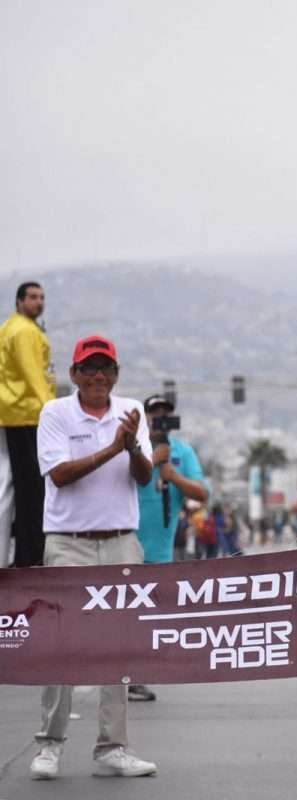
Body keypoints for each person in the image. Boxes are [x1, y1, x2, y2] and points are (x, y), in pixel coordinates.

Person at [29, 335, 156, 780]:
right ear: (74, 374)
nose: (98, 376)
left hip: (121, 540)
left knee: (118, 644)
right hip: (69, 542)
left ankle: (112, 747)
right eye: (89, 368)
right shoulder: (55, 413)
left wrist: (133, 446)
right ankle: (49, 745)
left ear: (116, 375)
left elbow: (144, 477)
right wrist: (113, 448)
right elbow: (60, 475)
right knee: (63, 642)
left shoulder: (131, 411)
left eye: (106, 368)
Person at [130, 393, 209, 703]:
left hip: (161, 551)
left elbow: (202, 493)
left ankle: (133, 676)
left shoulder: (183, 452)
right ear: (145, 417)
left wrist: (172, 475)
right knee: (130, 616)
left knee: (149, 618)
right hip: (126, 544)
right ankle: (129, 678)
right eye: (155, 414)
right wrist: (150, 459)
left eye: (166, 415)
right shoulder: (132, 447)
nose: (160, 420)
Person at [0, 281, 55, 567]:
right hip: (27, 414)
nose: (39, 302)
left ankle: (23, 554)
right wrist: (52, 409)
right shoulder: (24, 331)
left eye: (42, 297)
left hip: (14, 413)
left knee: (18, 489)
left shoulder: (12, 327)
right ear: (19, 301)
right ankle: (29, 556)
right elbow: (33, 374)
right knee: (32, 492)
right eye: (33, 297)